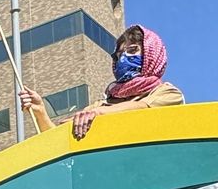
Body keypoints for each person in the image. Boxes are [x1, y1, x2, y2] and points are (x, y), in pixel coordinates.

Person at [20, 24, 183, 139]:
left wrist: (98, 114)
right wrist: (40, 111)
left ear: (151, 55)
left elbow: (142, 107)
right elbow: (59, 137)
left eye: (132, 50)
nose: (123, 59)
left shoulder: (168, 93)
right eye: (118, 56)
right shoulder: (102, 104)